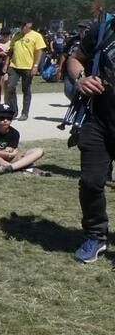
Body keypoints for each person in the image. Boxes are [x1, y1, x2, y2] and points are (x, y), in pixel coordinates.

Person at [67, 13, 115, 263]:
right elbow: (75, 60)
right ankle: (96, 235)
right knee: (90, 181)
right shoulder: (103, 29)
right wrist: (81, 80)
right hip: (98, 121)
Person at [0, 103, 46, 174]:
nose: (5, 120)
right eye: (2, 118)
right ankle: (17, 167)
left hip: (6, 158)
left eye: (9, 118)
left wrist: (9, 154)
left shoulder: (15, 133)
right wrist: (8, 154)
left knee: (39, 151)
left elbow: (12, 150)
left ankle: (8, 167)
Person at [5, 19, 46, 120]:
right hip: (14, 66)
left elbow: (39, 51)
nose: (22, 27)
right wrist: (6, 64)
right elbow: (11, 51)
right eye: (20, 25)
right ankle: (14, 111)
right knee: (10, 88)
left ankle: (25, 113)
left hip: (28, 67)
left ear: (30, 25)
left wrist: (35, 66)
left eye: (24, 25)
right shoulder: (16, 36)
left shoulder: (36, 36)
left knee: (26, 89)